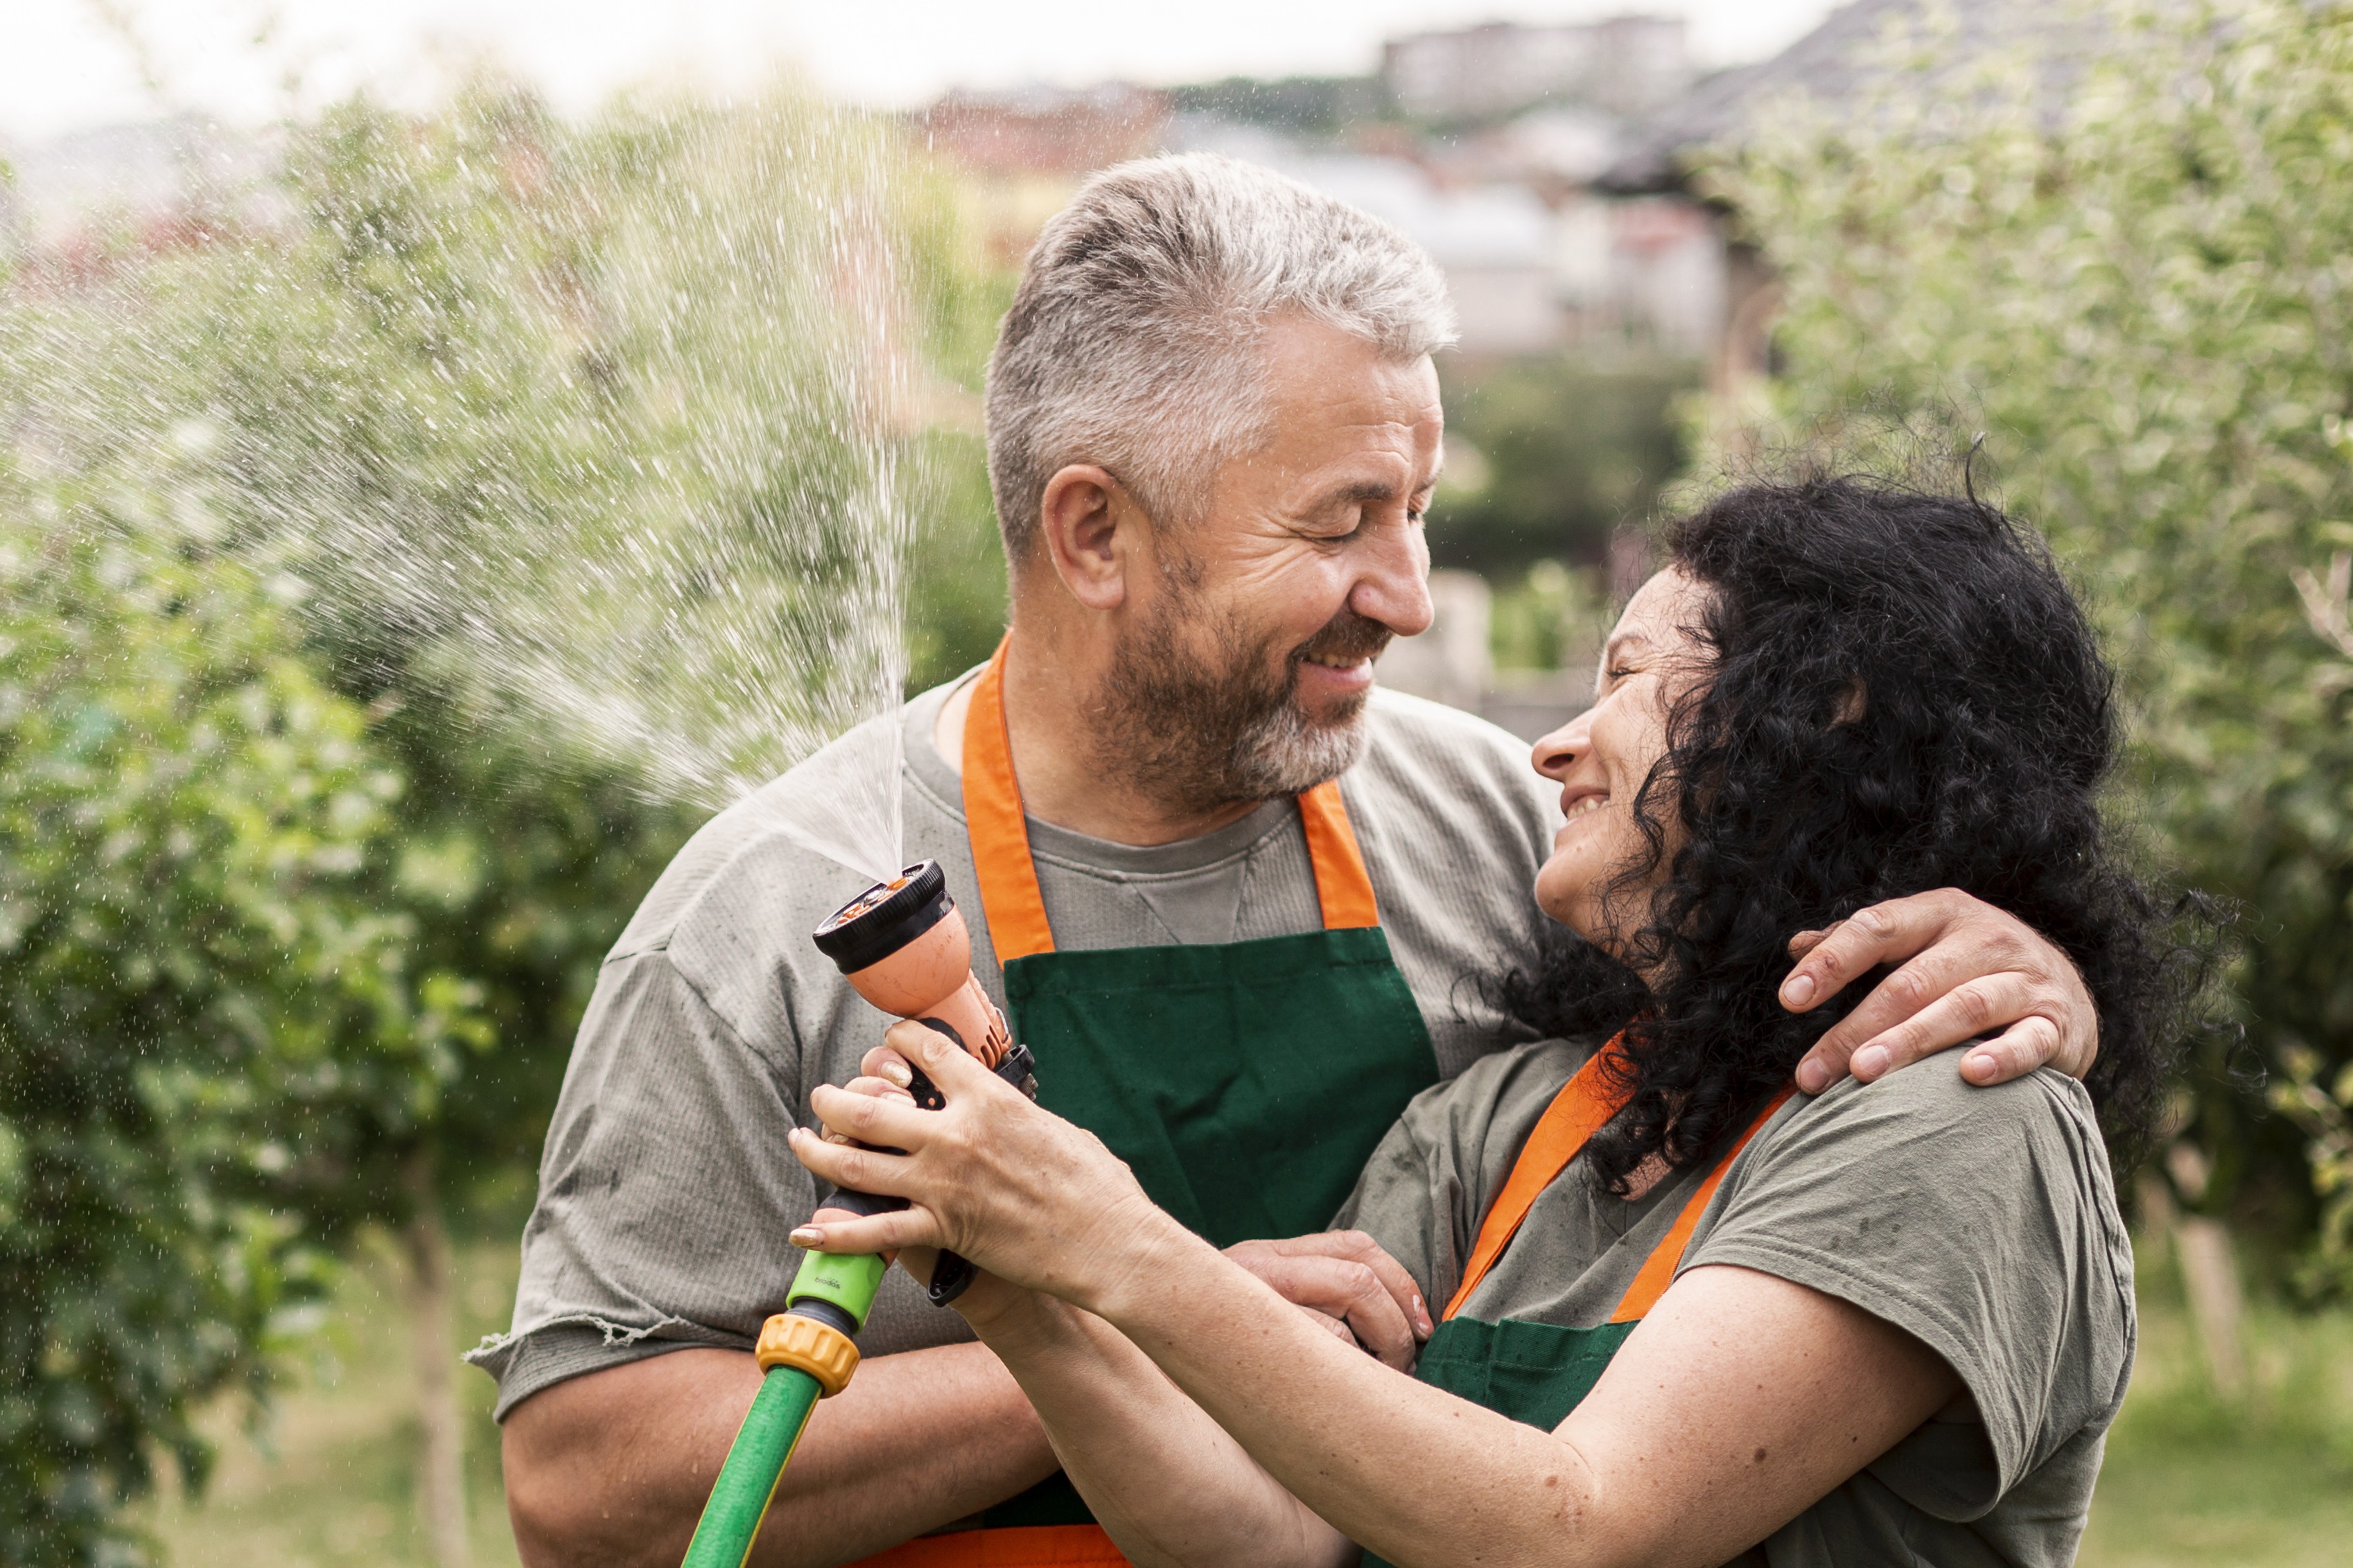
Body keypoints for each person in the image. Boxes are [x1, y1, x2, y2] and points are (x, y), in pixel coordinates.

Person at [479, 157, 2104, 1568]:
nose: (1404, 590)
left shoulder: (1494, 836)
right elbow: (585, 1502)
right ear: (1095, 533)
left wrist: (2031, 967)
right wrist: (1164, 1308)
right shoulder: (764, 919)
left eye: (1418, 508)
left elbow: (1823, 1052)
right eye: (1340, 524)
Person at [791, 477, 2181, 1568]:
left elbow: (1579, 1525)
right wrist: (1020, 1281)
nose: (1553, 746)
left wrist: (1112, 1236)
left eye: (1629, 679)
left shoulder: (1951, 1107)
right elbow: (1273, 1537)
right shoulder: (1517, 1117)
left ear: (1822, 714)